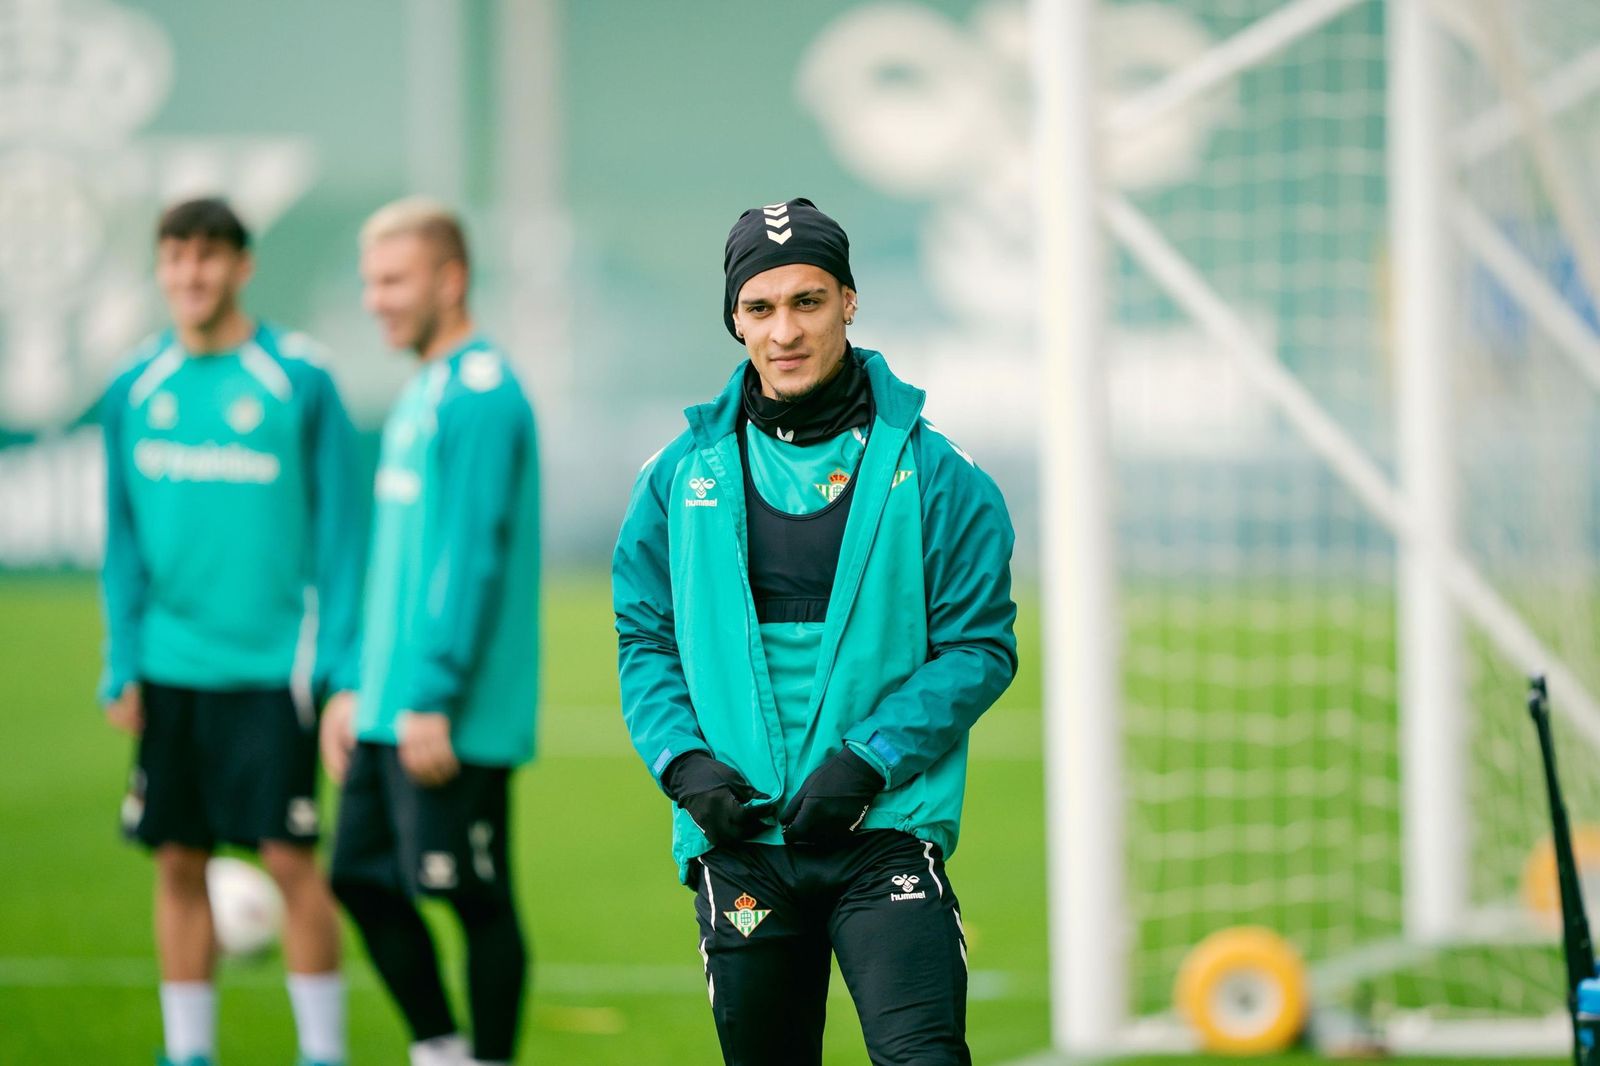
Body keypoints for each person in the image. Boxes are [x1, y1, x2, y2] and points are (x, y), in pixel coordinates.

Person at [612, 197, 1018, 1066]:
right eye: (761, 308)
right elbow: (644, 638)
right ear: (734, 319)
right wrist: (684, 766)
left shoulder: (938, 473)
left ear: (849, 301)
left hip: (883, 830)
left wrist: (866, 759)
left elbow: (981, 646)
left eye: (808, 301)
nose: (784, 330)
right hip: (742, 839)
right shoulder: (677, 476)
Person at [100, 196, 361, 1066]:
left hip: (271, 670)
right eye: (175, 257)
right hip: (170, 667)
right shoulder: (135, 386)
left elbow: (343, 535)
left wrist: (338, 667)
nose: (191, 275)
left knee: (290, 864)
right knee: (177, 861)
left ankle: (320, 1053)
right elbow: (122, 539)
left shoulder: (297, 379)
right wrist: (121, 659)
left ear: (243, 267)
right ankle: (190, 1054)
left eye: (208, 257)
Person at [321, 198, 540, 1066]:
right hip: (387, 703)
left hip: (447, 712)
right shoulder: (423, 390)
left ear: (450, 281)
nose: (376, 299)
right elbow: (396, 567)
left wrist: (431, 693)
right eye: (370, 281)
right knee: (359, 878)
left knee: (474, 897)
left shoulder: (484, 396)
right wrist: (353, 682)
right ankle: (440, 1050)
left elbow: (470, 558)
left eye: (393, 280)